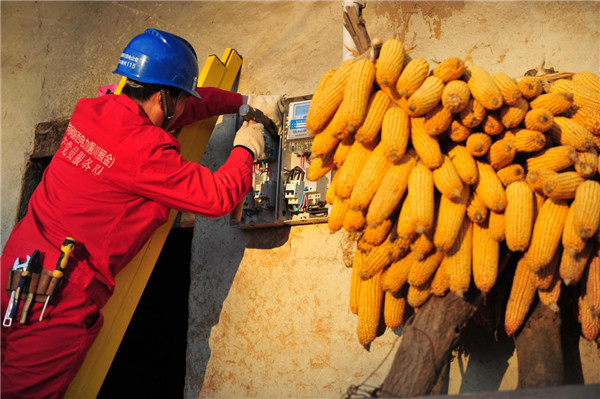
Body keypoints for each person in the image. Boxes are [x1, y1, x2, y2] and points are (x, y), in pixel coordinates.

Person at [0, 28, 281, 398]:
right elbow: (216, 196)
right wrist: (248, 143)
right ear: (165, 96)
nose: (184, 107)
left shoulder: (92, 110)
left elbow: (185, 109)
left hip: (16, 267)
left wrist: (242, 103)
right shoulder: (146, 151)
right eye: (181, 98)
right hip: (56, 297)